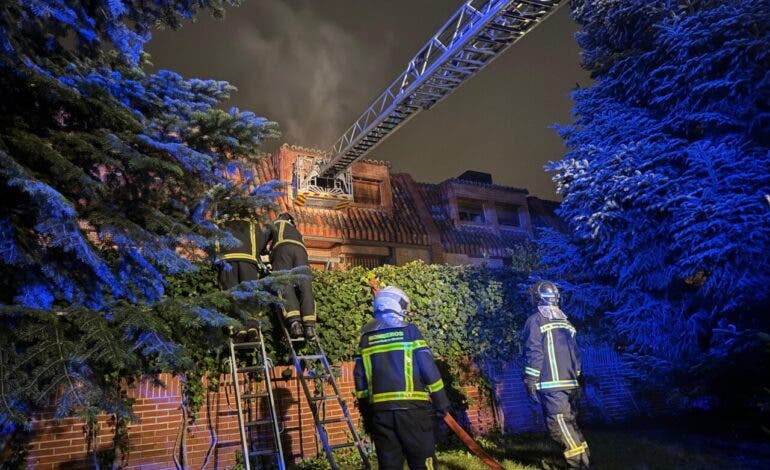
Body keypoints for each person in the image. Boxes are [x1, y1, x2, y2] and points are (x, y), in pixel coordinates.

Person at [353, 286, 450, 470]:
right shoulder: (410, 331)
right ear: (395, 304)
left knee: (389, 464)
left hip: (380, 414)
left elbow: (360, 378)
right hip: (413, 412)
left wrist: (366, 412)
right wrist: (441, 402)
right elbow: (428, 369)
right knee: (423, 461)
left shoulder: (365, 337)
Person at [523, 281, 590, 469]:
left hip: (552, 385)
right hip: (570, 383)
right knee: (568, 424)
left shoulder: (535, 321)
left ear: (537, 297)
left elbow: (534, 352)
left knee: (558, 426)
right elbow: (576, 355)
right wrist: (576, 376)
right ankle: (584, 461)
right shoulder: (566, 322)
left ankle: (578, 465)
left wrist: (530, 379)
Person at [258, 212, 317, 340]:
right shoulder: (297, 232)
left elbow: (260, 242)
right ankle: (309, 327)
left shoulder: (275, 223)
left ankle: (295, 323)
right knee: (305, 286)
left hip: (283, 251)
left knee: (286, 284)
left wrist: (265, 251)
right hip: (302, 253)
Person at [215, 216, 266, 337]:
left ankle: (236, 326)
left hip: (227, 260)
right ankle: (252, 324)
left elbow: (214, 242)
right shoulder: (251, 221)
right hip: (248, 259)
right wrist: (256, 254)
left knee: (230, 291)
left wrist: (216, 259)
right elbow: (260, 240)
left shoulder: (220, 222)